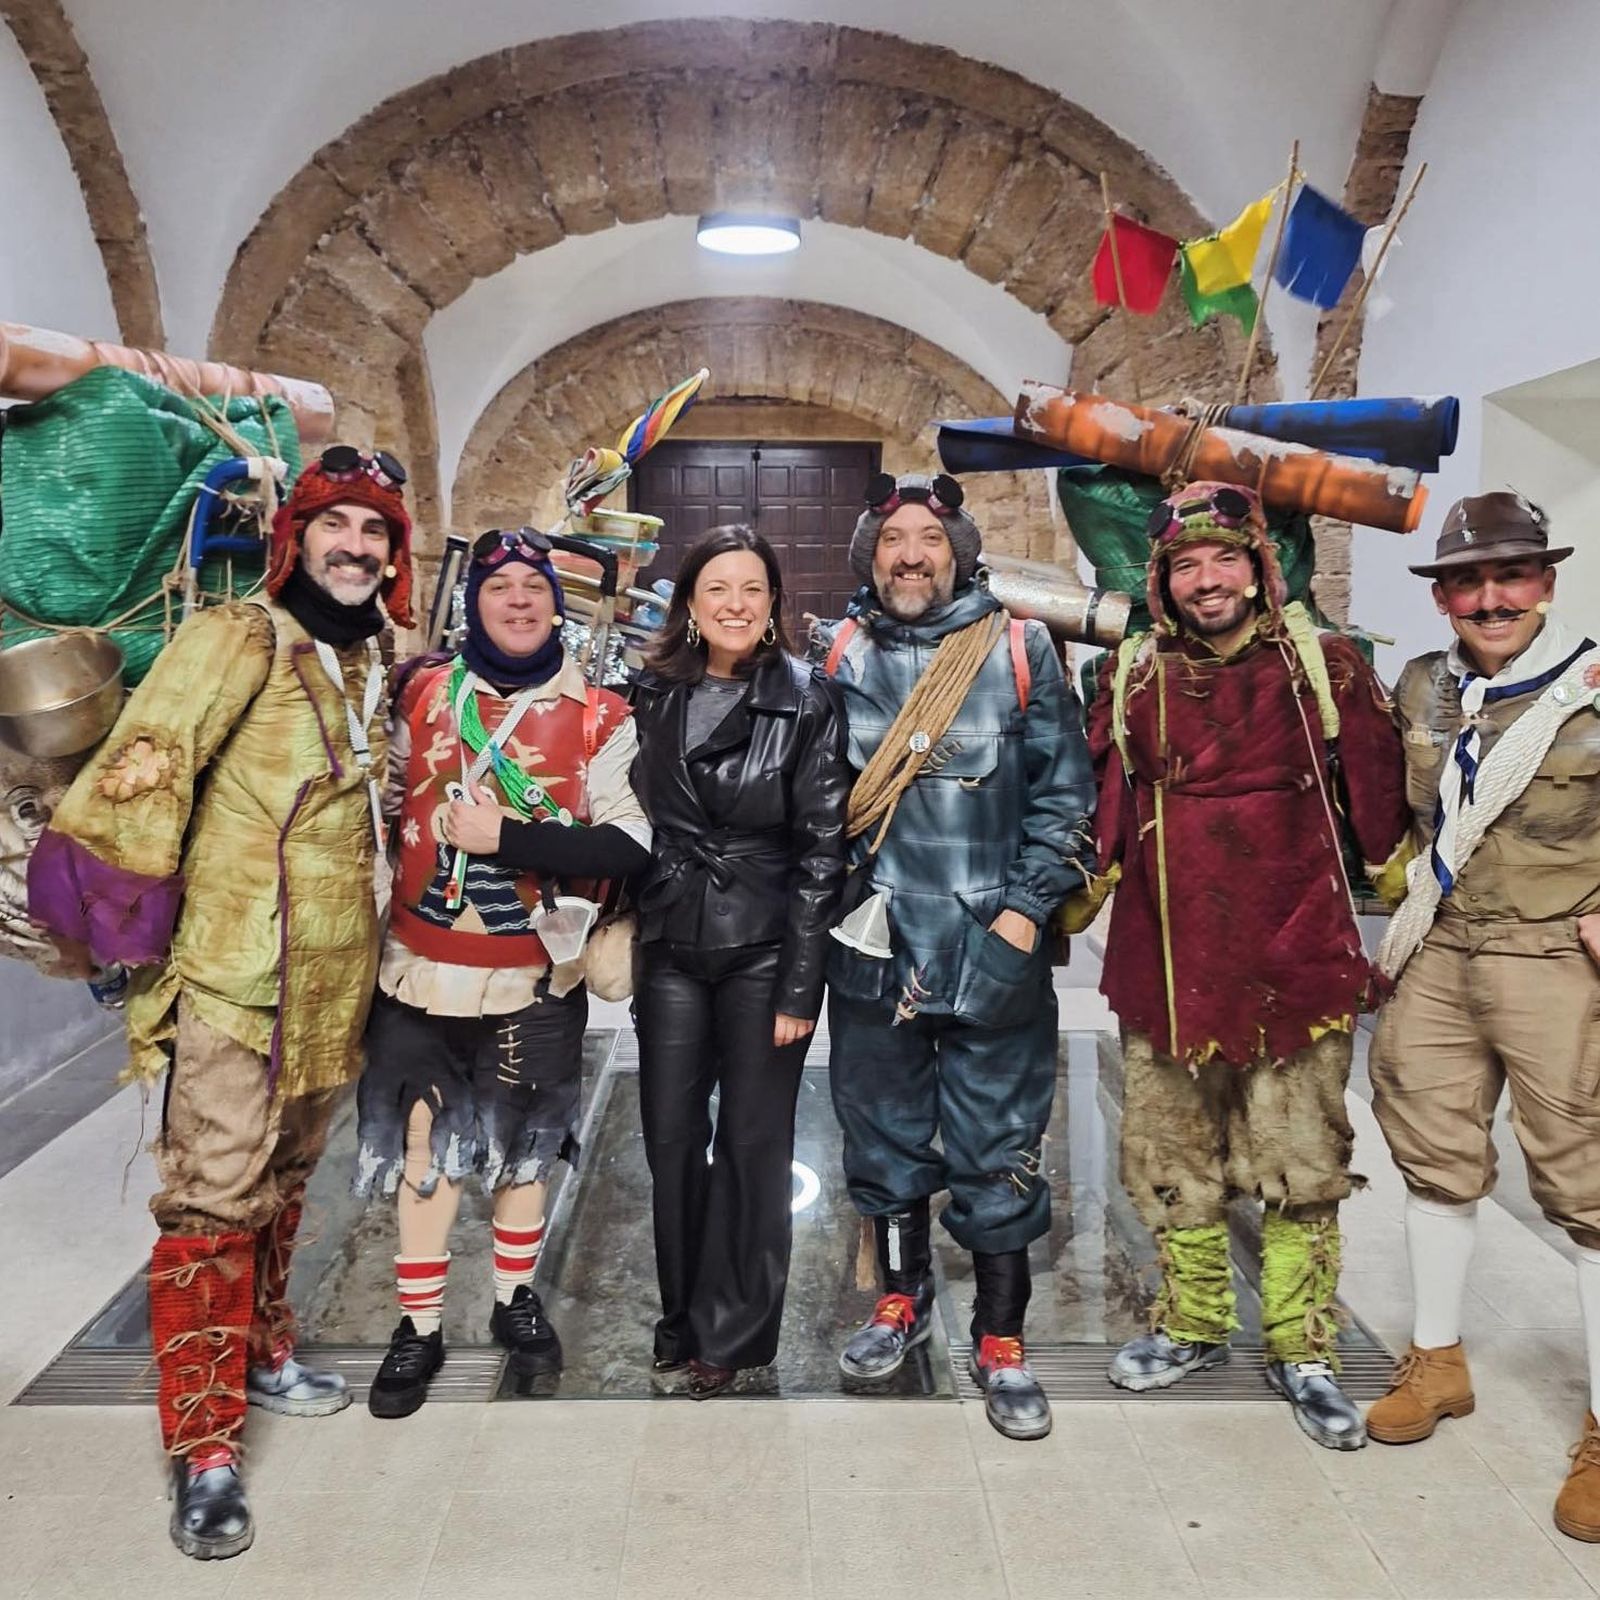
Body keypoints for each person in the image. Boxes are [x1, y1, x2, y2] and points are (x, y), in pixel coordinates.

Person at [27, 447, 416, 1559]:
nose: (355, 546)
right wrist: (119, 927)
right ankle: (203, 1449)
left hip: (333, 978)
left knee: (286, 1178)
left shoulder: (370, 655)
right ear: (297, 537)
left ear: (393, 555)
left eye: (374, 531)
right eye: (335, 526)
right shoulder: (239, 635)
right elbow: (149, 764)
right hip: (237, 977)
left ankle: (266, 1350)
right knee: (212, 1193)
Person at [1079, 480, 1408, 1449]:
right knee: (1173, 1157)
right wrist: (1071, 889)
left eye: (1225, 557)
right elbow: (1100, 803)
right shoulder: (1132, 673)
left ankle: (1302, 1345)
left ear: (1260, 565)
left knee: (1300, 1163)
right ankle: (1190, 1324)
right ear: (1162, 580)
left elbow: (1381, 800)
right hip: (1167, 961)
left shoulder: (1327, 667)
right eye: (1186, 564)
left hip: (1295, 962)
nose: (1206, 579)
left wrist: (1407, 901)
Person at [816, 470, 1094, 1442]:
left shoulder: (1021, 650)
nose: (909, 554)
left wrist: (1019, 924)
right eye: (892, 538)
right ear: (870, 554)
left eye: (927, 539)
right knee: (885, 1144)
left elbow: (1064, 800)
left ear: (959, 552)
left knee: (997, 1149)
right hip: (872, 953)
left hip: (993, 946)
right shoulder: (839, 653)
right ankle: (900, 1300)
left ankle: (1001, 1336)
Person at [354, 526, 650, 1418]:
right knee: (422, 1146)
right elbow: (377, 799)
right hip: (418, 965)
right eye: (499, 587)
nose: (518, 600)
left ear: (556, 604)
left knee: (525, 1146)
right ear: (472, 602)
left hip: (533, 974)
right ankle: (419, 1325)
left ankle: (515, 1300)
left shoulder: (603, 712)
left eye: (534, 586)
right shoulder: (418, 695)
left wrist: (507, 838)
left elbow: (630, 843)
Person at [1366, 492, 1600, 1541]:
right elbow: (1408, 806)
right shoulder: (1423, 683)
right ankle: (1439, 1358)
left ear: (1545, 583)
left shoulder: (1591, 688)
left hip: (1553, 947)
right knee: (1430, 1146)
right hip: (1442, 941)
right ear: (1445, 596)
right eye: (1467, 581)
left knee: (1584, 1176)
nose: (1489, 597)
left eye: (1510, 577)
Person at [630, 525, 848, 1399]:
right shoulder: (648, 693)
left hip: (764, 948)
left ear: (773, 605)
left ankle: (734, 1331)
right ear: (689, 602)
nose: (734, 603)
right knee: (673, 1140)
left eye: (752, 588)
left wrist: (802, 984)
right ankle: (681, 1310)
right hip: (671, 944)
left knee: (755, 1146)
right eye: (717, 587)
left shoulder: (807, 699)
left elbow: (824, 853)